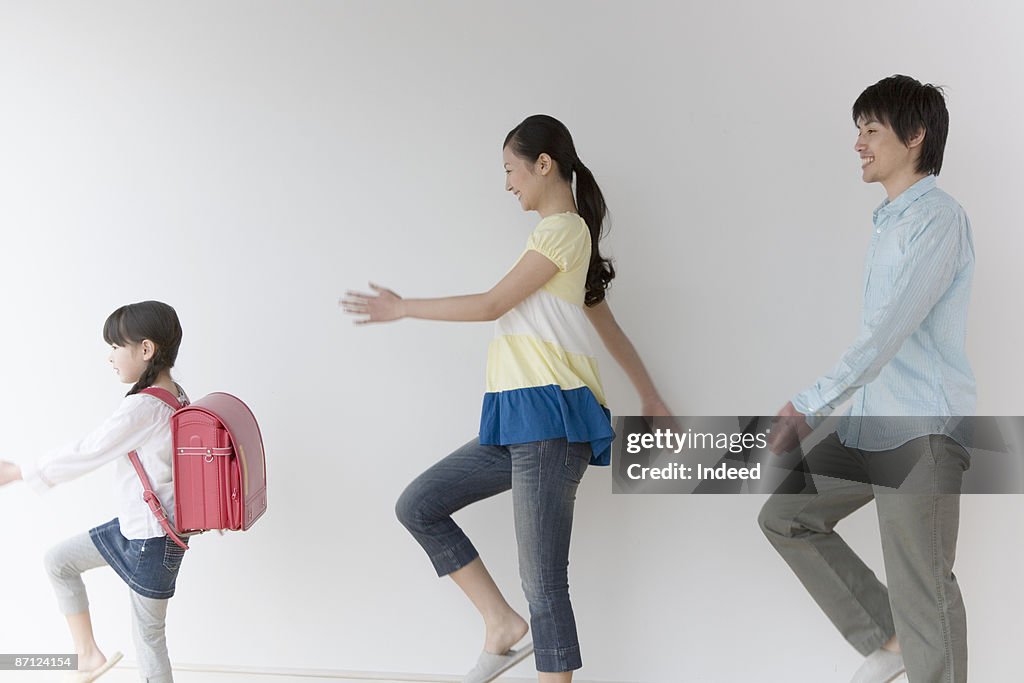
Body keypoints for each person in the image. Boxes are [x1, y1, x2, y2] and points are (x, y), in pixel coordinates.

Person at [341, 114, 669, 682]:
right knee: (418, 505)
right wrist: (649, 393)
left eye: (511, 170)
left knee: (544, 582)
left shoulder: (563, 229)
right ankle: (500, 623)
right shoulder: (565, 243)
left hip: (549, 422)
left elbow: (493, 304)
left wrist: (403, 307)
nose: (508, 183)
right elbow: (608, 329)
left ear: (544, 165)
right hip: (516, 421)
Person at [760, 75, 975, 683]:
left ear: (915, 136)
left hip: (920, 434)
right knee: (787, 517)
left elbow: (887, 333)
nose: (859, 142)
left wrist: (808, 403)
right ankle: (891, 636)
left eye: (871, 129)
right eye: (858, 129)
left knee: (925, 589)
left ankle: (912, 638)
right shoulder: (890, 221)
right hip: (871, 427)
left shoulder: (937, 220)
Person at [0, 301, 190, 683]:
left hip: (153, 542)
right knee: (59, 561)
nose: (111, 357)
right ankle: (86, 656)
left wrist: (21, 472)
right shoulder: (176, 396)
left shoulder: (143, 408)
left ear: (146, 349)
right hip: (136, 530)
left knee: (149, 638)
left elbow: (90, 449)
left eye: (117, 347)